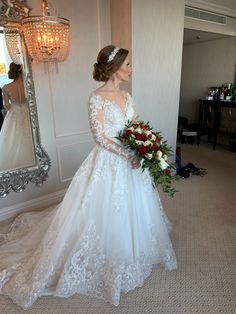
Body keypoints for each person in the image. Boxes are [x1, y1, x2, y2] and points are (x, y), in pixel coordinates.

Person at [0, 46, 177, 309]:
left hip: (131, 160)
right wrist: (126, 154)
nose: (131, 69)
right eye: (127, 64)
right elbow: (100, 137)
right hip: (108, 160)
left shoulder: (127, 97)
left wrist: (143, 148)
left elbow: (136, 127)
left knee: (137, 208)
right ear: (115, 67)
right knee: (97, 212)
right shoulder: (96, 97)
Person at [0, 62, 35, 171]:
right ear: (21, 71)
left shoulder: (6, 87)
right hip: (27, 111)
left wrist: (14, 106)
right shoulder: (29, 84)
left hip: (14, 113)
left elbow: (7, 106)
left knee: (13, 139)